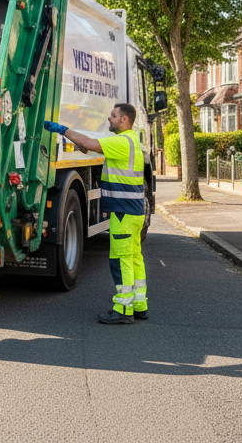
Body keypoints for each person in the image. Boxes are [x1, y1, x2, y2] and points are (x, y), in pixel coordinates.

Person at [43, 103, 148, 324]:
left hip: (123, 212)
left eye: (113, 116)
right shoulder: (130, 142)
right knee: (134, 257)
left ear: (124, 120)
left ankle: (122, 309)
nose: (109, 119)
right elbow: (93, 148)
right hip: (134, 212)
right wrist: (86, 146)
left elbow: (89, 143)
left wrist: (62, 130)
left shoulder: (122, 142)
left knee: (120, 260)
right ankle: (139, 305)